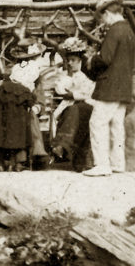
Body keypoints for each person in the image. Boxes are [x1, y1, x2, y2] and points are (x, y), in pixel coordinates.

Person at [82, 0, 135, 177]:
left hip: (110, 86)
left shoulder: (114, 30)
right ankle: (118, 163)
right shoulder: (129, 30)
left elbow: (105, 59)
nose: (102, 22)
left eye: (102, 17)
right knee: (117, 126)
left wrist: (91, 60)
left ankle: (102, 164)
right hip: (124, 86)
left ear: (107, 14)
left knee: (97, 123)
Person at [0, 40, 48, 171]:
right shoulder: (13, 74)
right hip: (12, 110)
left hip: (28, 107)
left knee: (26, 116)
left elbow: (40, 97)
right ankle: (17, 159)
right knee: (14, 117)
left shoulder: (35, 75)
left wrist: (37, 107)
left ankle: (24, 156)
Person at [50, 36, 95, 171]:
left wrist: (73, 93)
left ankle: (63, 146)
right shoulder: (66, 76)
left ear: (80, 61)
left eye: (73, 60)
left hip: (86, 105)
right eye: (68, 60)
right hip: (70, 105)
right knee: (65, 113)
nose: (70, 63)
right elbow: (59, 89)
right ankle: (60, 147)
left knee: (75, 112)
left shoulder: (86, 76)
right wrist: (69, 89)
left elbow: (87, 93)